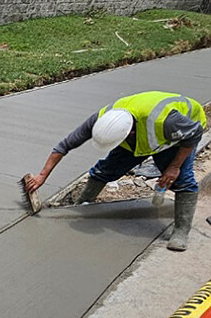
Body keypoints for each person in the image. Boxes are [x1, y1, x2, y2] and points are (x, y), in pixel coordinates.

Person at [26, 91, 206, 251]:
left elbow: (195, 132)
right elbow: (65, 145)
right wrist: (42, 175)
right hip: (142, 131)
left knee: (182, 181)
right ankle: (83, 204)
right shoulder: (103, 119)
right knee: (104, 170)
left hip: (181, 134)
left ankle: (181, 231)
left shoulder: (166, 122)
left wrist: (174, 167)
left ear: (130, 133)